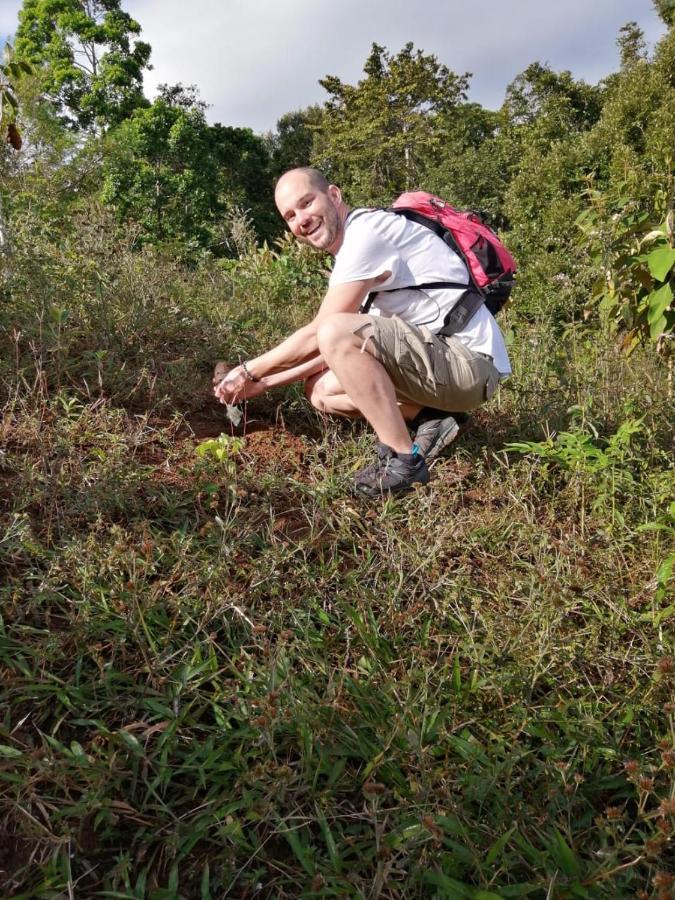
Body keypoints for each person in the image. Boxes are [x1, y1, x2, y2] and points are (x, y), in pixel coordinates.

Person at [213, 167, 510, 497]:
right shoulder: (356, 251)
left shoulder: (367, 233)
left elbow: (322, 336)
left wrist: (246, 371)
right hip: (442, 363)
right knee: (321, 391)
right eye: (290, 216)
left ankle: (403, 463)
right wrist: (264, 384)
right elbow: (335, 352)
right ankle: (435, 418)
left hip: (470, 365)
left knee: (334, 329)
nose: (301, 220)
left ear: (335, 195)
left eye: (307, 203)